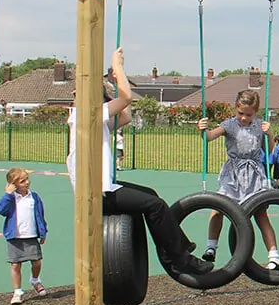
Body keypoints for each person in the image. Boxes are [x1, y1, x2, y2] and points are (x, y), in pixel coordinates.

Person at [68, 48, 212, 275]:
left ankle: (171, 248)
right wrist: (118, 67)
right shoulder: (86, 114)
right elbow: (126, 98)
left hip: (99, 190)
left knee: (151, 194)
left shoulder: (92, 119)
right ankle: (181, 259)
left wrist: (111, 88)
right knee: (156, 206)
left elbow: (124, 116)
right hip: (97, 194)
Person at [196, 89, 279, 269]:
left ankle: (274, 256)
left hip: (254, 173)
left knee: (261, 214)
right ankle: (211, 248)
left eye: (248, 114)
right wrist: (203, 130)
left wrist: (270, 134)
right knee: (218, 209)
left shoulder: (259, 126)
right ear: (236, 108)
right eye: (240, 113)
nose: (243, 118)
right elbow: (209, 137)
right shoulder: (229, 124)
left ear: (255, 112)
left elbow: (270, 150)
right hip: (232, 173)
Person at [0, 168, 48, 304]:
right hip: (15, 237)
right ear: (13, 184)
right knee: (15, 265)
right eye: (22, 181)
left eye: (27, 179)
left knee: (36, 261)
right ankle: (17, 291)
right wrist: (7, 194)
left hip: (31, 235)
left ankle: (35, 280)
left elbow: (40, 215)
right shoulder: (11, 199)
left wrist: (43, 231)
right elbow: (1, 210)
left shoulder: (34, 197)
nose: (27, 182)